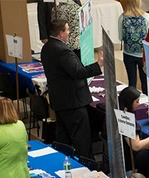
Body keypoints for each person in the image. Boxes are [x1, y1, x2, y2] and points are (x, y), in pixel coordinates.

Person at [41, 19, 103, 160]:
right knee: (82, 140)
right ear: (61, 33)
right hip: (73, 102)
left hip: (59, 100)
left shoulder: (47, 47)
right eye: (67, 30)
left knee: (63, 138)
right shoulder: (63, 51)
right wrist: (98, 65)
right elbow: (78, 72)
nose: (69, 32)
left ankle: (63, 163)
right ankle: (87, 167)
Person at [119, 86, 149, 178]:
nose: (139, 103)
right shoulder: (126, 119)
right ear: (129, 102)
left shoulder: (116, 113)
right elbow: (136, 146)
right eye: (136, 101)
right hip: (128, 158)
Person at [120, 0, 149, 93]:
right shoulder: (146, 16)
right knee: (145, 81)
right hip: (143, 54)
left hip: (128, 53)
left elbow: (120, 37)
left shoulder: (122, 17)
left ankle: (131, 102)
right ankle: (146, 102)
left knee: (132, 81)